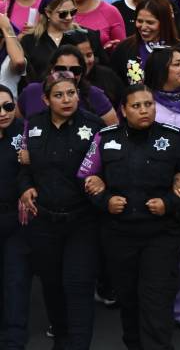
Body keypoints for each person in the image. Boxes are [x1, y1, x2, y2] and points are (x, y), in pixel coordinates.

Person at [78, 85, 180, 350]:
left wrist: (168, 203)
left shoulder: (174, 137)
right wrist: (103, 200)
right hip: (119, 235)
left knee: (156, 300)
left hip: (161, 234)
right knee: (129, 300)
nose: (144, 110)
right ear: (123, 110)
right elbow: (84, 179)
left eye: (149, 104)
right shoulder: (104, 137)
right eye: (136, 106)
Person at [18, 72, 101, 350]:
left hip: (82, 221)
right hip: (45, 222)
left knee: (78, 286)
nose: (66, 100)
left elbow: (108, 166)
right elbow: (23, 169)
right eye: (58, 95)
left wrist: (101, 180)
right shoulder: (33, 126)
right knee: (52, 286)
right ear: (45, 99)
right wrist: (26, 186)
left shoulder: (94, 125)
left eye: (71, 93)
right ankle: (62, 340)